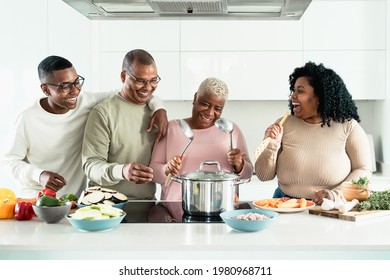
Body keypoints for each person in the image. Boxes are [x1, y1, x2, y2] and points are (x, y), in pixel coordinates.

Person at [1, 55, 167, 199]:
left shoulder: (85, 102)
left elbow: (130, 91)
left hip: (74, 199)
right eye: (65, 86)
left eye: (77, 82)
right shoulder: (27, 119)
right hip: (37, 198)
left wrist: (159, 107)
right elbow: (10, 161)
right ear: (45, 89)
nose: (74, 91)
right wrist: (40, 175)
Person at [254, 61, 372, 205]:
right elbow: (263, 176)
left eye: (300, 91)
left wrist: (336, 194)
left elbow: (364, 170)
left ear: (320, 96)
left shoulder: (348, 127)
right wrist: (271, 145)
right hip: (284, 205)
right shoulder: (284, 124)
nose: (293, 96)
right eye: (293, 90)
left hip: (328, 207)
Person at [82, 49, 166, 204]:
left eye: (153, 80)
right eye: (140, 80)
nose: (147, 88)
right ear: (123, 76)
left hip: (145, 204)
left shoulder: (157, 113)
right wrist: (122, 171)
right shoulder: (103, 113)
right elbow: (91, 166)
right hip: (105, 204)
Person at [150, 77, 253, 201]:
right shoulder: (171, 128)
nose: (210, 113)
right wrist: (166, 169)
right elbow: (153, 173)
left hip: (222, 208)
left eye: (217, 109)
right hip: (176, 210)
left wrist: (240, 164)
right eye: (205, 104)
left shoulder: (231, 131)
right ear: (195, 98)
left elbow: (247, 175)